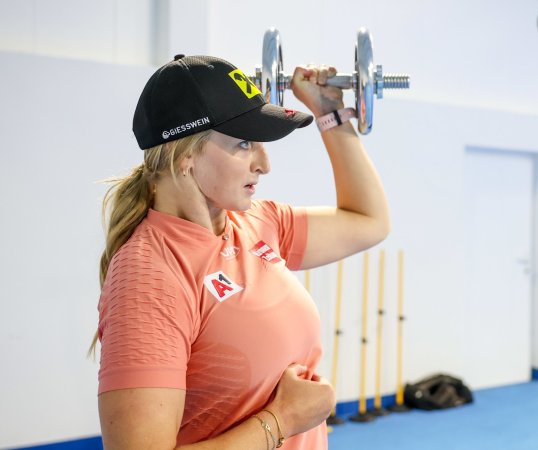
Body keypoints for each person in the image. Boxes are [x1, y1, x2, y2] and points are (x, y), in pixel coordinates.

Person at [92, 54, 390, 449]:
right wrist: (282, 419)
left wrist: (329, 114)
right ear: (186, 157)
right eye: (244, 143)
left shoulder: (255, 224)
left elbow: (369, 220)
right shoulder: (150, 275)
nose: (264, 164)